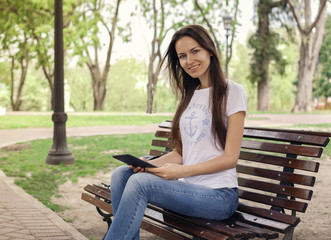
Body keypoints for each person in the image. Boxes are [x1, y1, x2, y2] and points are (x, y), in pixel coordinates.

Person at [104, 24, 247, 240]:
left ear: (209, 49)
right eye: (182, 56)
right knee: (122, 174)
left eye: (195, 51)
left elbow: (230, 158)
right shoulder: (190, 96)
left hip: (220, 195)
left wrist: (182, 172)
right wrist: (149, 164)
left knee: (140, 184)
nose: (189, 61)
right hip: (188, 188)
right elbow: (182, 153)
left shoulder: (233, 92)